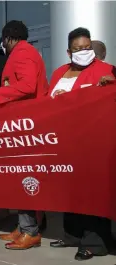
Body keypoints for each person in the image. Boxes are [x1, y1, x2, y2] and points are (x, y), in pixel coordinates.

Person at [47, 27, 114, 261]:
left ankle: (95, 242)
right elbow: (45, 106)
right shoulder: (58, 74)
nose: (84, 52)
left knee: (92, 195)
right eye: (78, 49)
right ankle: (72, 235)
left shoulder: (107, 71)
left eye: (87, 48)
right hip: (64, 144)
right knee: (70, 193)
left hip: (93, 144)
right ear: (69, 51)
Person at [0, 20, 49, 250]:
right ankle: (23, 227)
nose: (3, 46)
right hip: (22, 126)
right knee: (19, 177)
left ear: (9, 38)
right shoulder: (22, 53)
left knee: (25, 177)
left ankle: (31, 231)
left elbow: (28, 85)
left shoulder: (23, 53)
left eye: (3, 41)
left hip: (28, 126)